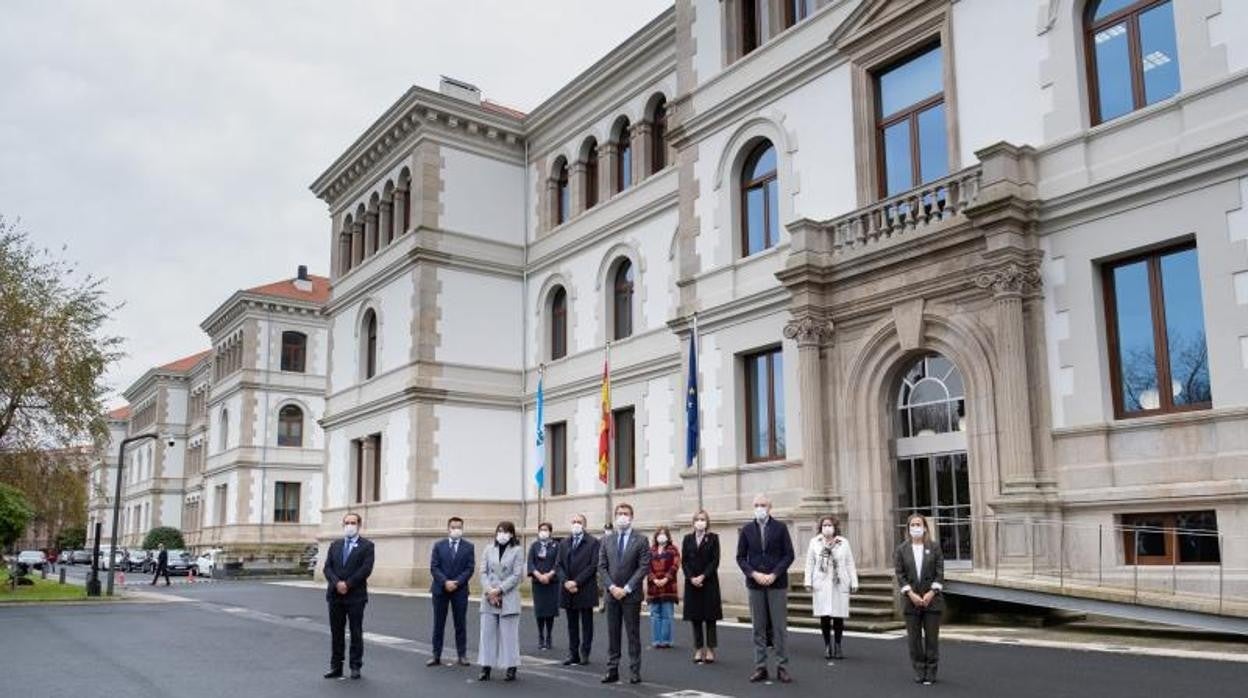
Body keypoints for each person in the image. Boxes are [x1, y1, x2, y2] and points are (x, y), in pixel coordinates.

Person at [736, 494, 795, 684]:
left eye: (763, 505)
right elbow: (741, 557)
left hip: (776, 583)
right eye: (756, 505)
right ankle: (760, 666)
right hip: (755, 583)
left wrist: (774, 574)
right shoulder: (746, 529)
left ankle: (782, 666)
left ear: (770, 507)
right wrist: (753, 574)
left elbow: (788, 555)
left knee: (779, 628)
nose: (760, 508)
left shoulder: (780, 528)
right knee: (758, 628)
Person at [598, 503, 650, 685]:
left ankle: (635, 671)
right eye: (619, 513)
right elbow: (602, 567)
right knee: (613, 634)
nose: (622, 516)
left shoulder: (641, 540)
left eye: (625, 513)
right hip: (612, 595)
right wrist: (612, 587)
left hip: (631, 595)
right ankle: (612, 669)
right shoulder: (606, 540)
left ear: (631, 517)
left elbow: (643, 566)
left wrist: (627, 588)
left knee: (632, 634)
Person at [323, 512, 375, 680]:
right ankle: (336, 666)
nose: (350, 526)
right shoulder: (335, 545)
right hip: (335, 595)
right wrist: (337, 583)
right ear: (343, 525)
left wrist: (348, 584)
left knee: (355, 632)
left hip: (355, 597)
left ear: (359, 525)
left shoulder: (367, 546)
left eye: (353, 522)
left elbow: (365, 569)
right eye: (347, 522)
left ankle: (355, 666)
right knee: (336, 633)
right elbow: (327, 568)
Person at [895, 513, 945, 686]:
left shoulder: (934, 547)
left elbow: (940, 572)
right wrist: (911, 594)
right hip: (911, 601)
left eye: (919, 524)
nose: (916, 527)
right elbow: (900, 574)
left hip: (932, 600)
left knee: (932, 639)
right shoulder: (902, 549)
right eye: (912, 525)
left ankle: (931, 671)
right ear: (908, 528)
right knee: (914, 639)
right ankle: (919, 670)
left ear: (925, 527)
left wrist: (931, 593)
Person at [804, 515, 858, 660]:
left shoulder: (843, 542)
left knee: (839, 615)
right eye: (824, 525)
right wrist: (808, 582)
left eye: (829, 525)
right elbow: (810, 563)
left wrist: (854, 582)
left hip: (839, 581)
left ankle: (838, 645)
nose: (827, 527)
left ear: (835, 527)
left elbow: (849, 563)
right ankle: (827, 645)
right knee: (825, 615)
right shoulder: (815, 542)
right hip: (821, 582)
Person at [478, 521, 523, 682]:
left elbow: (517, 575)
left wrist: (500, 589)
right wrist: (490, 590)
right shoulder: (488, 549)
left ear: (511, 534)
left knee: (509, 635)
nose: (502, 534)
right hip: (489, 597)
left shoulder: (517, 550)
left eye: (505, 531)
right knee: (487, 634)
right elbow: (482, 572)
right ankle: (486, 667)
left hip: (508, 597)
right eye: (499, 531)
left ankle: (511, 667)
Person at [428, 516, 474, 667]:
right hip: (440, 589)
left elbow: (469, 568)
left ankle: (462, 655)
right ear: (448, 528)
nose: (456, 530)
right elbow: (434, 567)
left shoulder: (468, 547)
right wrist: (445, 582)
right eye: (453, 527)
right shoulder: (438, 545)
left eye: (459, 527)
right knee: (438, 624)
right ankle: (436, 655)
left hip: (460, 590)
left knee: (460, 623)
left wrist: (457, 582)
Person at [557, 513, 599, 666]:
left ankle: (585, 653)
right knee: (571, 624)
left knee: (587, 623)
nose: (576, 524)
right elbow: (558, 565)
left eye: (579, 522)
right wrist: (566, 582)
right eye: (573, 521)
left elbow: (593, 566)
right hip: (568, 589)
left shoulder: (593, 542)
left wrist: (576, 582)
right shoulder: (564, 543)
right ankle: (573, 653)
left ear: (584, 525)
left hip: (585, 588)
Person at [681, 510, 722, 664]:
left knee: (710, 617)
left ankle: (711, 649)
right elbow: (684, 561)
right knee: (696, 617)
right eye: (697, 519)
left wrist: (703, 576)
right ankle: (698, 648)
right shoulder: (687, 539)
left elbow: (715, 561)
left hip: (709, 581)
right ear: (693, 522)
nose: (700, 522)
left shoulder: (713, 538)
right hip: (692, 583)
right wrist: (691, 577)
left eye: (703, 519)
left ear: (707, 522)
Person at [528, 522, 560, 650]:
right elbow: (530, 563)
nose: (543, 532)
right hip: (538, 583)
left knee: (550, 610)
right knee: (540, 610)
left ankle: (549, 636)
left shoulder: (556, 545)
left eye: (546, 529)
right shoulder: (534, 546)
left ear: (550, 532)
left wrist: (549, 575)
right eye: (541, 529)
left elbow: (558, 562)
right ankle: (541, 636)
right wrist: (538, 575)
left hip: (552, 583)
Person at [646, 526, 679, 649]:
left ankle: (666, 640)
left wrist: (666, 578)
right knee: (655, 614)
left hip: (668, 587)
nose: (661, 535)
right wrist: (654, 579)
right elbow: (646, 566)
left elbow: (675, 565)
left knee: (667, 614)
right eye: (659, 533)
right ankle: (656, 640)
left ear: (668, 536)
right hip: (653, 587)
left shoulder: (673, 549)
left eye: (664, 533)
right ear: (655, 536)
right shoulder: (650, 550)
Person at [597, 522, 613, 615]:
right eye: (607, 529)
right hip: (602, 567)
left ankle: (609, 604)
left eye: (610, 529)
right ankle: (602, 604)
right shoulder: (600, 540)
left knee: (610, 586)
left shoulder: (615, 539)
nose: (608, 531)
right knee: (601, 587)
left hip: (612, 567)